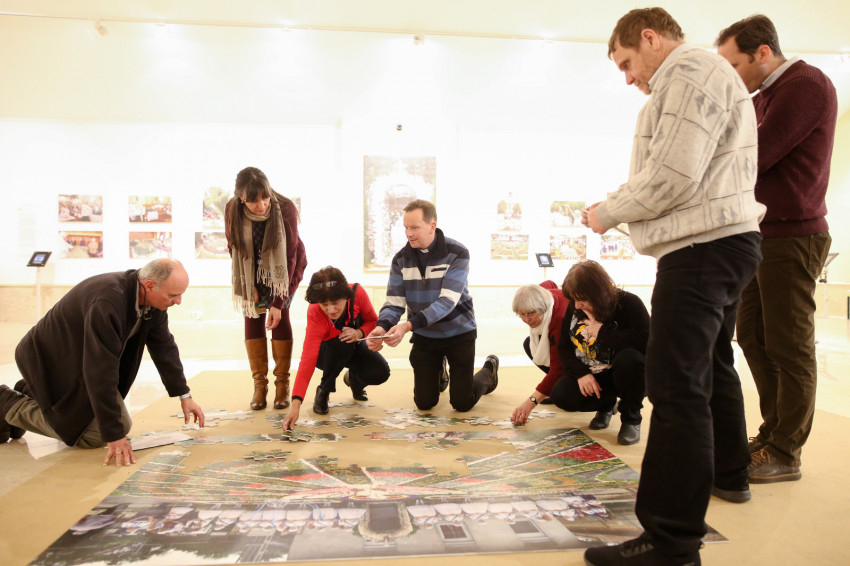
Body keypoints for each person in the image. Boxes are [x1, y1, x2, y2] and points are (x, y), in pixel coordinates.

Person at [582, 8, 765, 566]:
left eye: (627, 62)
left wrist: (608, 212)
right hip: (722, 244)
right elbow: (677, 169)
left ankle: (671, 540)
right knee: (709, 369)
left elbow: (674, 174)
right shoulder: (702, 75)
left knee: (674, 385)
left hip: (702, 250)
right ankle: (730, 473)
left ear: (650, 38)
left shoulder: (688, 72)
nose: (628, 77)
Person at [716, 15, 837, 484]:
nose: (731, 75)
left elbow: (754, 157)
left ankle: (787, 451)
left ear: (763, 53)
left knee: (790, 347)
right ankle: (773, 435)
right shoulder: (761, 96)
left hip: (794, 235)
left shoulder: (805, 85)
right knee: (752, 336)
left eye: (734, 64)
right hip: (762, 234)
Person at [0, 259, 205, 467]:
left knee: (116, 423)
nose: (178, 301)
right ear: (150, 285)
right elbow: (100, 370)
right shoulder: (108, 302)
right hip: (48, 360)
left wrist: (184, 395)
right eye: (173, 295)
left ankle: (31, 392)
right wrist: (114, 436)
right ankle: (6, 402)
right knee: (93, 435)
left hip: (81, 360)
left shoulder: (152, 303)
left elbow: (164, 347)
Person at [366, 199, 498, 411]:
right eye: (406, 228)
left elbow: (447, 302)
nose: (409, 234)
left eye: (414, 227)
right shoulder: (400, 259)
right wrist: (382, 327)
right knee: (425, 403)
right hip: (425, 337)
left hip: (459, 333)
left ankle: (489, 372)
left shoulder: (458, 253)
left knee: (462, 403)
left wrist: (407, 326)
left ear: (432, 226)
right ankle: (440, 370)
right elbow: (394, 303)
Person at [515, 263, 650, 444]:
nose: (577, 305)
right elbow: (564, 348)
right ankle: (606, 405)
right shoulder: (575, 307)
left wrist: (602, 332)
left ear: (598, 293)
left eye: (582, 300)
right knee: (562, 395)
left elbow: (647, 341)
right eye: (574, 300)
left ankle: (631, 419)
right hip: (593, 371)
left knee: (630, 360)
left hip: (624, 373)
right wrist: (581, 373)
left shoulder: (629, 303)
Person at [225, 166, 307, 411]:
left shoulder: (286, 208)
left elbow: (290, 256)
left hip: (284, 270)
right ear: (241, 197)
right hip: (250, 270)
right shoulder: (232, 209)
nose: (261, 205)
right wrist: (249, 285)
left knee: (279, 318)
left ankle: (282, 385)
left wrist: (278, 303)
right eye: (253, 201)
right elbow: (233, 246)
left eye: (265, 197)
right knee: (253, 316)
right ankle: (259, 385)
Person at [281, 267, 390, 428]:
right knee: (342, 342)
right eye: (324, 305)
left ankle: (354, 380)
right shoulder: (315, 312)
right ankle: (324, 390)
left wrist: (359, 333)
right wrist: (295, 406)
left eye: (335, 303)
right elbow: (308, 360)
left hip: (354, 346)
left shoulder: (357, 293)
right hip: (326, 356)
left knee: (381, 371)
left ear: (345, 296)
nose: (331, 310)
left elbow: (373, 321)